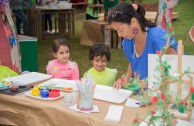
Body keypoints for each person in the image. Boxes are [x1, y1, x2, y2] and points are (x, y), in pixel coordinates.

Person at [107, 3, 178, 89]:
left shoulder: (158, 40)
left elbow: (176, 69)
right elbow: (133, 61)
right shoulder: (127, 42)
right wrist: (125, 79)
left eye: (120, 30)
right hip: (143, 97)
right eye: (116, 31)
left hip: (165, 95)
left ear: (133, 22)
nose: (119, 35)